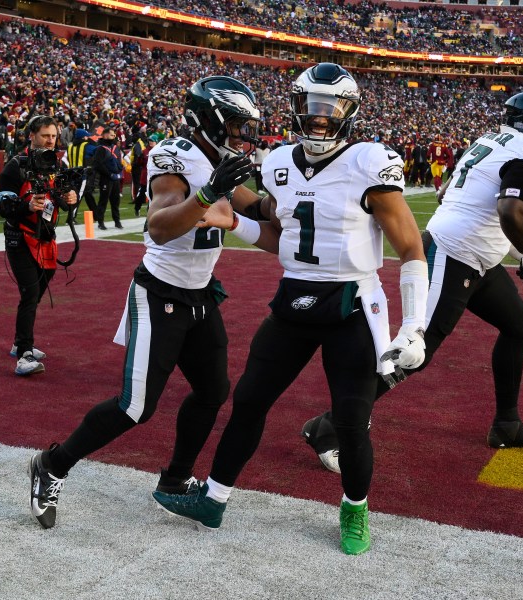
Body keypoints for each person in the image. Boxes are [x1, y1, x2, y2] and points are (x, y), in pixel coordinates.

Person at [152, 63, 429, 556]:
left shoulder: (369, 161)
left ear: (349, 112)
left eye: (330, 109)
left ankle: (355, 508)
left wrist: (413, 325)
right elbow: (280, 237)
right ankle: (213, 499)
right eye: (311, 107)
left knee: (350, 421)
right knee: (249, 401)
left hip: (352, 303)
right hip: (293, 299)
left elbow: (410, 248)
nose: (319, 119)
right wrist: (233, 221)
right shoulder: (278, 162)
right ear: (297, 106)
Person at [27, 75, 261, 530]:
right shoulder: (174, 155)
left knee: (213, 391)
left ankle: (174, 481)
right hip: (161, 293)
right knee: (135, 407)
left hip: (200, 294)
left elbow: (259, 208)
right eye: (234, 123)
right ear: (208, 120)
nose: (241, 133)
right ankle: (52, 464)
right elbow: (158, 226)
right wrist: (210, 193)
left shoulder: (219, 161)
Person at [300, 91, 523, 473]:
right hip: (453, 255)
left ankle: (507, 425)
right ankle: (327, 428)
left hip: (474, 258)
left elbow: (451, 196)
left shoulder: (488, 141)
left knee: (519, 325)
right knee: (414, 352)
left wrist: (499, 248)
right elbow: (512, 210)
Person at [0, 115, 78, 375]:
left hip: (46, 237)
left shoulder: (56, 164)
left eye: (54, 136)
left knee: (39, 286)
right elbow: (3, 207)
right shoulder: (15, 166)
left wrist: (70, 198)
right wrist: (26, 205)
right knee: (30, 292)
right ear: (31, 136)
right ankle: (24, 352)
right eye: (45, 135)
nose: (50, 140)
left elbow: (62, 200)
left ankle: (20, 340)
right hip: (20, 237)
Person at [92, 126, 123, 230]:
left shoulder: (115, 147)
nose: (114, 136)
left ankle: (117, 221)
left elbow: (119, 161)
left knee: (116, 201)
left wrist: (118, 171)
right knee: (103, 200)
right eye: (111, 134)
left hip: (115, 178)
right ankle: (101, 222)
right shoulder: (100, 148)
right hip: (106, 178)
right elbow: (97, 164)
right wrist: (108, 173)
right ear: (105, 135)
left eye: (114, 135)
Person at [66, 128, 98, 218]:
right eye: (86, 136)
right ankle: (71, 218)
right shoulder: (87, 146)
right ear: (82, 137)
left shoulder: (70, 146)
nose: (87, 137)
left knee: (88, 195)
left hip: (72, 174)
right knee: (78, 196)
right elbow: (98, 151)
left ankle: (96, 215)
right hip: (82, 175)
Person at [133, 133, 158, 217]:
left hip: (155, 177)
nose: (150, 143)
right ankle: (137, 208)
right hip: (145, 177)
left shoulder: (159, 151)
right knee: (140, 195)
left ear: (156, 142)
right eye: (150, 141)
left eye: (152, 141)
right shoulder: (144, 151)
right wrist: (139, 158)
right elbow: (139, 163)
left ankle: (150, 212)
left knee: (153, 196)